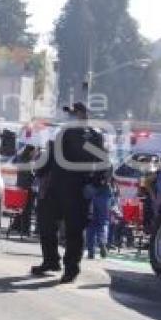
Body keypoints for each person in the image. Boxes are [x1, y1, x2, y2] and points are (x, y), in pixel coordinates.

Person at [32, 102, 107, 283]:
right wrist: (39, 171)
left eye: (74, 114)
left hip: (78, 188)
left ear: (83, 115)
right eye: (70, 114)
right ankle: (50, 260)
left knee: (74, 230)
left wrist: (94, 184)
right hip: (56, 186)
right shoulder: (63, 132)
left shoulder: (92, 136)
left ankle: (71, 269)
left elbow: (102, 163)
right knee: (45, 222)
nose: (70, 117)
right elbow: (52, 155)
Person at [85, 169, 114, 259]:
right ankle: (102, 242)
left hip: (90, 191)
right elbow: (109, 177)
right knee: (103, 222)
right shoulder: (109, 162)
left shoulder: (89, 161)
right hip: (105, 193)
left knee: (90, 224)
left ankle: (91, 251)